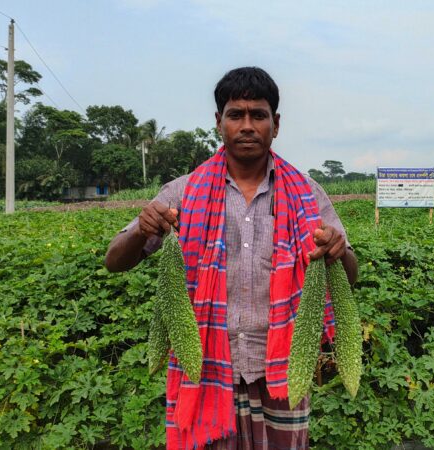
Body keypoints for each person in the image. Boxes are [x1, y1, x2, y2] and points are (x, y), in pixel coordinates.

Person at [105, 67, 357, 450]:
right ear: (218, 122)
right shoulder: (183, 192)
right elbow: (114, 260)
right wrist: (143, 229)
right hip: (203, 367)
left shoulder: (308, 193)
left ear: (276, 123)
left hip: (285, 369)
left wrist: (338, 250)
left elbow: (349, 276)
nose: (247, 125)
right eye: (235, 115)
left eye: (258, 115)